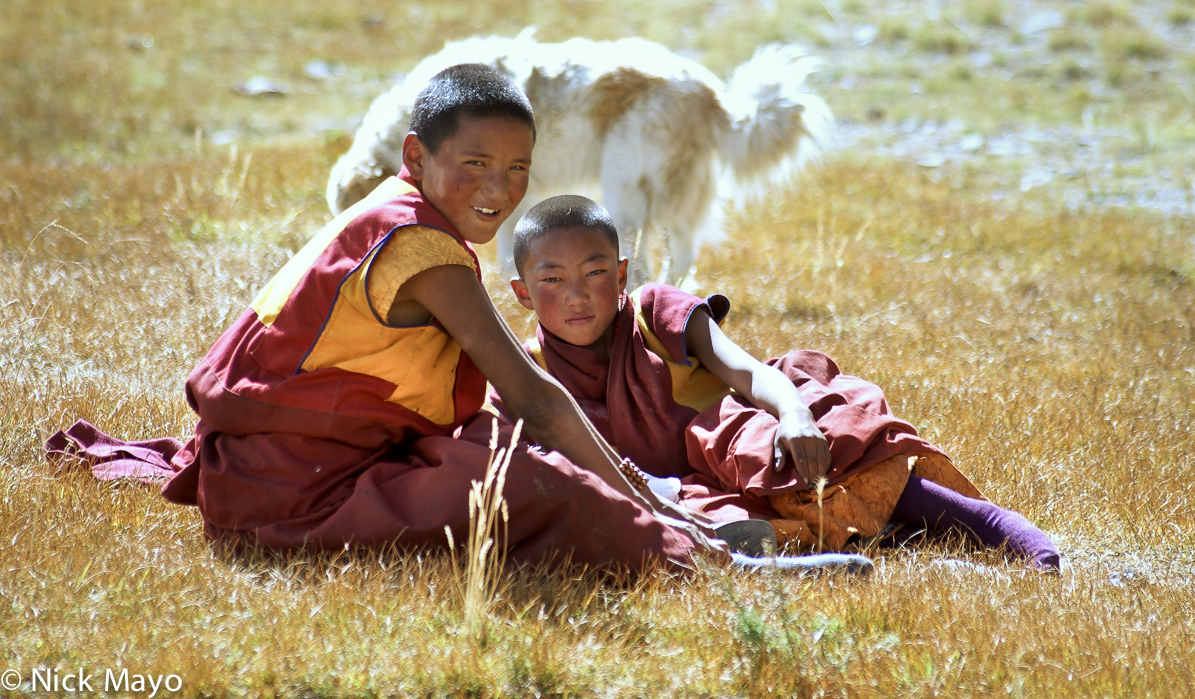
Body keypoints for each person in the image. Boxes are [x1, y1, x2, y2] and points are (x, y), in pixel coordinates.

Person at [46, 65, 865, 577]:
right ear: (415, 159)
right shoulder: (426, 252)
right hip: (293, 495)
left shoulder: (393, 211)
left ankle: (662, 516)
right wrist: (659, 511)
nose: (498, 189)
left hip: (282, 462)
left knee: (493, 447)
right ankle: (702, 561)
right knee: (525, 477)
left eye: (516, 169)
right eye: (472, 164)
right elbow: (536, 395)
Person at [492, 195, 1061, 571]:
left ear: (621, 274)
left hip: (749, 440)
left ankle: (991, 526)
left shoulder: (650, 311)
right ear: (522, 293)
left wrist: (793, 415)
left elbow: (748, 373)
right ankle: (840, 550)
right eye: (553, 279)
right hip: (684, 488)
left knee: (794, 444)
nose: (577, 294)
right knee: (704, 522)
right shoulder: (527, 372)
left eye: (595, 274)